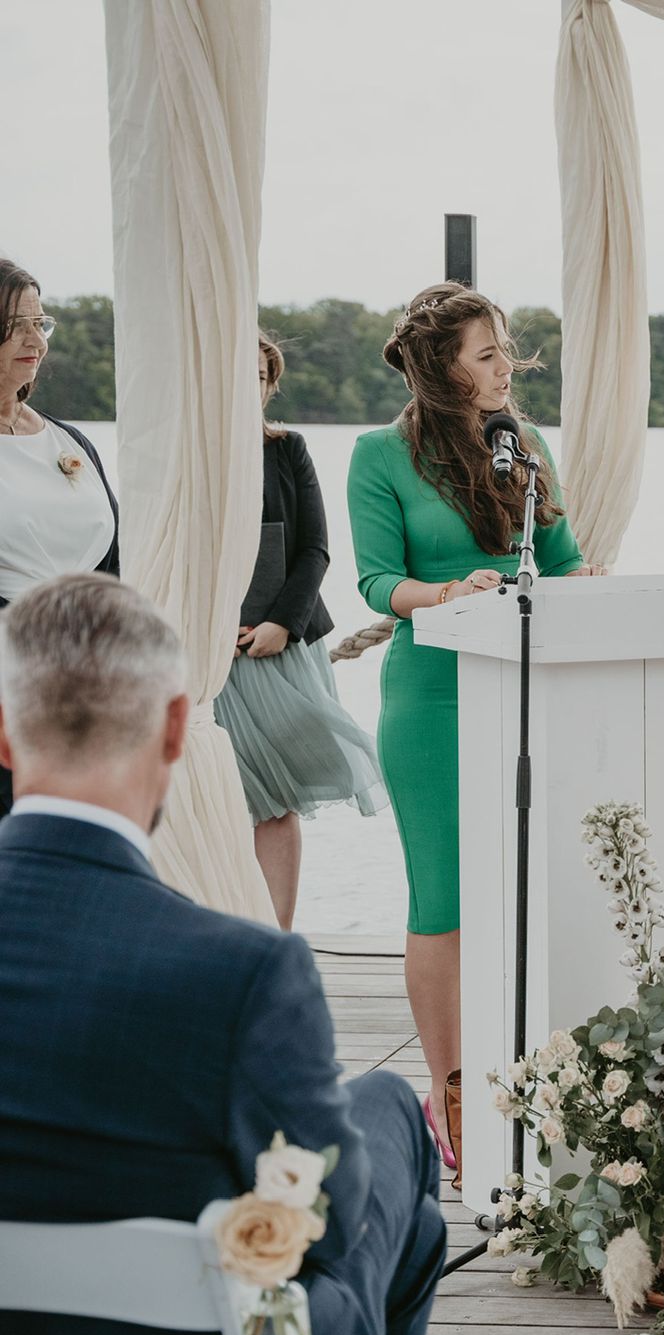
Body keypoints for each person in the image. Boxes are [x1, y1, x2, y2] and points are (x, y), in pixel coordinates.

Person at [0, 574, 444, 1335]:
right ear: (177, 729)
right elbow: (336, 1223)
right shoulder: (242, 970)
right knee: (393, 1127)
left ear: (4, 734)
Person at [349, 283, 605, 1189]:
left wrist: (599, 588)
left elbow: (566, 564)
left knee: (536, 885)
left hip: (530, 691)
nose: (508, 367)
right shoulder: (379, 455)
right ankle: (451, 1088)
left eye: (506, 351)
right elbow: (377, 583)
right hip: (434, 698)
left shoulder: (524, 446)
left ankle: (544, 1080)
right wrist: (446, 595)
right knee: (443, 898)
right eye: (489, 353)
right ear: (441, 366)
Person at [216, 333, 385, 929]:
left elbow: (314, 548)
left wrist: (281, 624)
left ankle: (274, 940)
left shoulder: (288, 449)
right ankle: (216, 936)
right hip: (203, 653)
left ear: (271, 385)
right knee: (212, 800)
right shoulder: (187, 452)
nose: (252, 388)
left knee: (276, 801)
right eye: (241, 375)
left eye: (261, 377)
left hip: (278, 650)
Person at [0, 259, 120, 819]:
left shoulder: (68, 439)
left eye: (40, 323)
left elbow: (113, 557)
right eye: (15, 324)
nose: (35, 340)